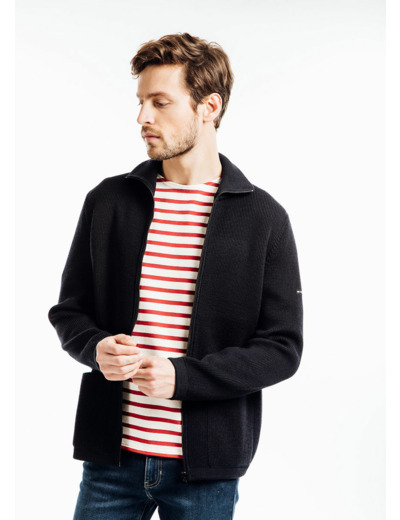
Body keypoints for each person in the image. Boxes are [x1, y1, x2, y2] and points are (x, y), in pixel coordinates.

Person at [48, 32, 303, 520]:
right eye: (141, 102)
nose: (142, 117)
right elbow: (69, 312)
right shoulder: (108, 201)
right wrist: (96, 348)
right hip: (110, 459)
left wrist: (183, 377)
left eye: (160, 102)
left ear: (209, 107)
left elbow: (282, 348)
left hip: (204, 471)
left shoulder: (264, 219)